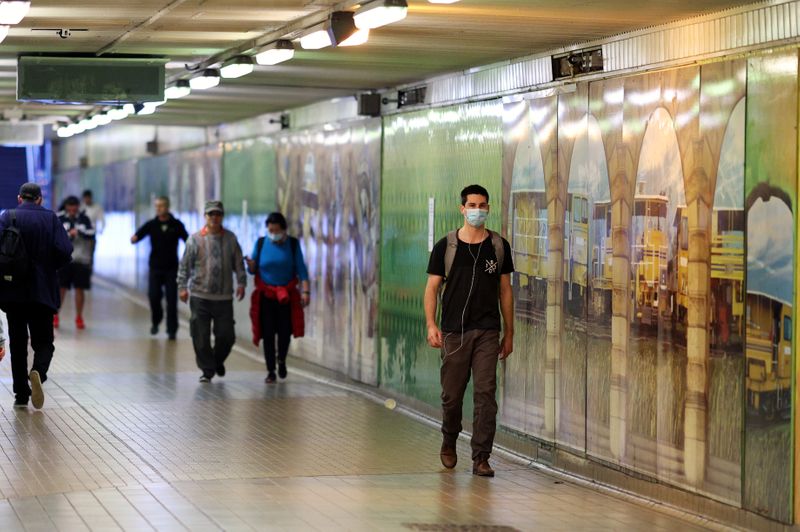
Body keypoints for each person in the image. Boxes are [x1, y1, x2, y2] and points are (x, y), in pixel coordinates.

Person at [424, 184, 515, 478]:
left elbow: (505, 291)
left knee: (486, 394)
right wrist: (431, 324)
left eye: (483, 205)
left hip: (488, 331)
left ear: (488, 208)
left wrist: (509, 333)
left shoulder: (499, 247)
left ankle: (481, 457)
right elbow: (432, 289)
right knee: (452, 396)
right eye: (472, 205)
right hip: (454, 332)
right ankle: (449, 437)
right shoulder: (446, 246)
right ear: (462, 209)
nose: (478, 210)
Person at [0, 183, 73, 409]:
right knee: (44, 342)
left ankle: (21, 393)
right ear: (40, 199)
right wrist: (50, 268)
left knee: (18, 344)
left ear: (20, 198)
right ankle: (38, 372)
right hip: (42, 291)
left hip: (13, 292)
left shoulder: (7, 217)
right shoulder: (50, 218)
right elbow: (65, 251)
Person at [177, 201, 246, 383]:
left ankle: (216, 360)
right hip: (200, 296)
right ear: (205, 217)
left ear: (222, 216)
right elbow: (184, 266)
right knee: (200, 335)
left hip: (223, 297)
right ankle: (207, 370)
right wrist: (182, 287)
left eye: (218, 214)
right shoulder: (195, 239)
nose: (214, 218)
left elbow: (238, 263)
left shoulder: (230, 239)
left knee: (226, 335)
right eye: (210, 214)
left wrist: (241, 282)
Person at [246, 212, 310, 384]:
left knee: (284, 333)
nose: (272, 233)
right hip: (266, 297)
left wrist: (305, 292)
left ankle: (281, 359)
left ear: (283, 229)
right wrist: (251, 265)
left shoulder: (293, 245)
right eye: (270, 230)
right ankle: (270, 371)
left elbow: (302, 271)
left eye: (275, 230)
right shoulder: (260, 243)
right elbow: (252, 269)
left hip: (286, 297)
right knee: (267, 334)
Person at [131, 196, 189, 340]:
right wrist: (134, 238)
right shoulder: (152, 224)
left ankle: (171, 330)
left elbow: (188, 241)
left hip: (171, 268)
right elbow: (137, 236)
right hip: (155, 268)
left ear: (167, 207)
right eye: (156, 206)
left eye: (162, 206)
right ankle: (156, 320)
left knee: (171, 300)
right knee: (153, 296)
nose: (159, 208)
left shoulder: (176, 224)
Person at [56, 196, 96, 330]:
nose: (72, 209)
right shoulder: (59, 218)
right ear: (66, 206)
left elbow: (92, 233)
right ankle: (56, 315)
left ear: (78, 206)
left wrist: (79, 231)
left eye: (75, 206)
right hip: (63, 259)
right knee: (61, 288)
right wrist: (68, 234)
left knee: (80, 288)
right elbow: (54, 235)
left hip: (81, 259)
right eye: (70, 206)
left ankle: (79, 317)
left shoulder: (84, 218)